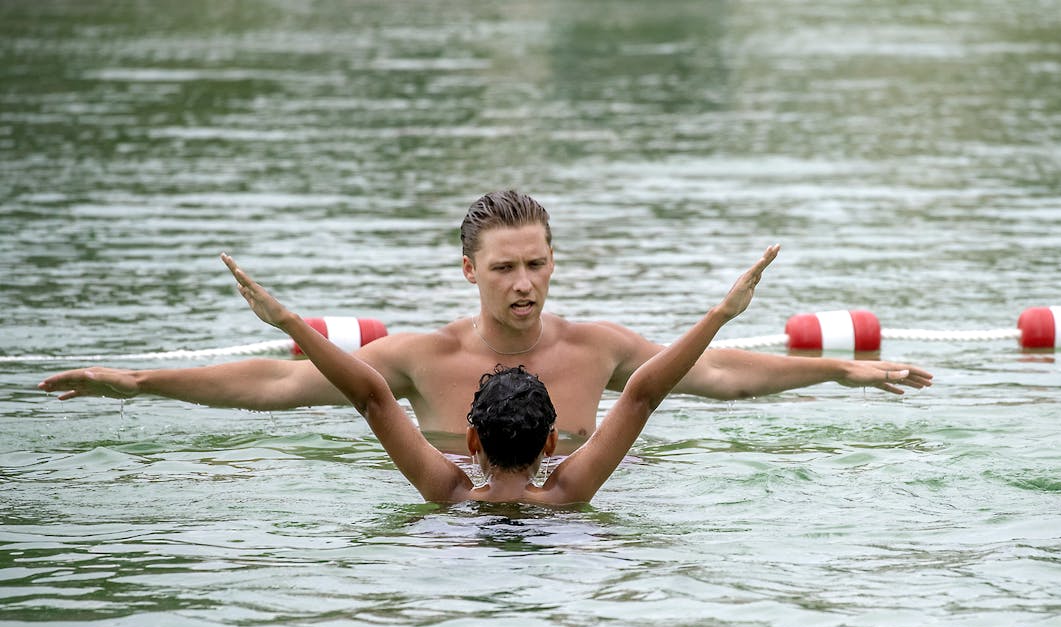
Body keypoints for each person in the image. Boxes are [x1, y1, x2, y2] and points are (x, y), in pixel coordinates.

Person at [39, 191, 932, 454]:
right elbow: (278, 383)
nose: (524, 282)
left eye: (536, 263)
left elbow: (718, 374)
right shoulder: (422, 357)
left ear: (554, 263)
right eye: (504, 267)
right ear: (470, 271)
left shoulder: (596, 348)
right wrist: (137, 380)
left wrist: (839, 372)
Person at [222, 245, 778, 505]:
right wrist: (720, 314)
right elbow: (644, 394)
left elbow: (370, 397)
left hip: (450, 552)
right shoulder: (568, 492)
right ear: (553, 442)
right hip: (569, 556)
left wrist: (288, 319)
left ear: (470, 441)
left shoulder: (448, 490)